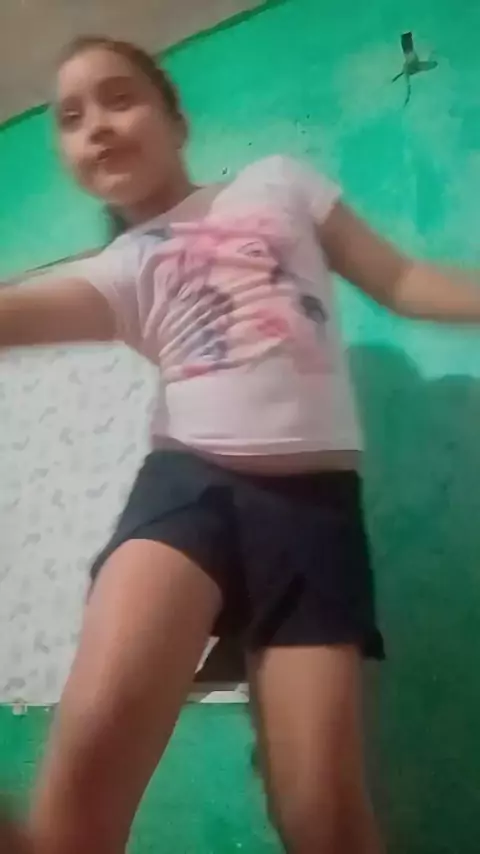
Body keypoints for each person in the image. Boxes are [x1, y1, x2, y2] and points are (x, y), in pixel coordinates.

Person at [1, 34, 480, 854]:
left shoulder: (278, 185)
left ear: (177, 121)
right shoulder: (117, 266)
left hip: (315, 519)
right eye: (71, 119)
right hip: (188, 492)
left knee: (324, 820)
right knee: (83, 783)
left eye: (120, 97)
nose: (98, 126)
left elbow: (403, 280)